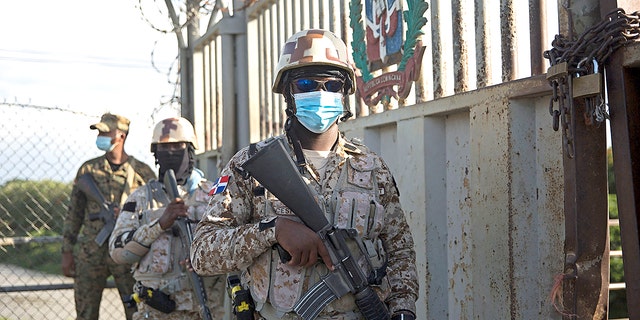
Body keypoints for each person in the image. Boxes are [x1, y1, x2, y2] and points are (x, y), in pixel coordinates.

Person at [190, 29, 418, 320]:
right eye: (307, 83)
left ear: (345, 92)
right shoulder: (250, 166)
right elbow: (202, 253)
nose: (321, 93)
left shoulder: (372, 168)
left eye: (332, 84)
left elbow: (400, 251)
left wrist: (403, 310)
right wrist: (272, 231)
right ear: (288, 92)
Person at [108, 117, 226, 320]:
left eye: (177, 146)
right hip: (155, 312)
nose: (170, 152)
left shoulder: (214, 196)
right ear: (155, 153)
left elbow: (236, 248)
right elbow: (118, 252)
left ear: (190, 150)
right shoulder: (140, 198)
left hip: (205, 311)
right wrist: (160, 224)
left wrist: (205, 260)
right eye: (164, 147)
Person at [61, 113, 157, 320]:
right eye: (99, 132)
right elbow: (74, 213)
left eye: (106, 132)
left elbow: (156, 212)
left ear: (120, 136)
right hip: (91, 252)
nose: (101, 136)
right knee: (86, 313)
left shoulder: (142, 172)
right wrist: (67, 251)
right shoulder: (88, 170)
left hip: (128, 251)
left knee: (137, 311)